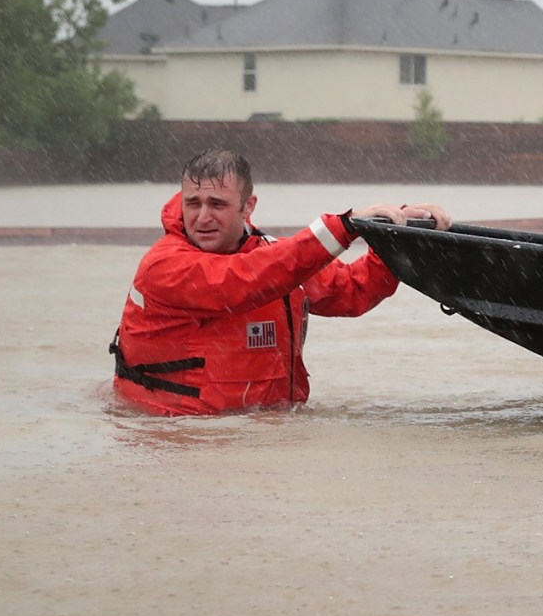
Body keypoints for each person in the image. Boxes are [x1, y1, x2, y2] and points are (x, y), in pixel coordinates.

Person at [110, 148, 453, 415]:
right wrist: (344, 227)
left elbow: (351, 291)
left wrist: (399, 237)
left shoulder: (275, 257)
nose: (202, 217)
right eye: (193, 204)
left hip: (263, 431)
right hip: (177, 434)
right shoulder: (164, 266)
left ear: (248, 207)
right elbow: (242, 280)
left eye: (217, 204)